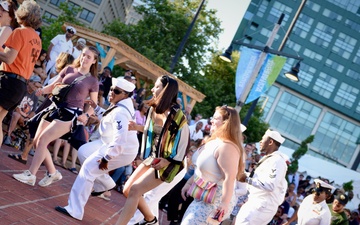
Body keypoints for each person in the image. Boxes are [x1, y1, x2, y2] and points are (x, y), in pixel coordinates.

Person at [12, 46, 99, 187]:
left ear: (94, 61)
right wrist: (41, 90)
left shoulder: (93, 81)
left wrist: (86, 115)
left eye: (89, 57)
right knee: (37, 141)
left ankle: (31, 174)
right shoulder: (69, 69)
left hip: (70, 113)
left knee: (44, 139)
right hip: (54, 108)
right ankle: (52, 172)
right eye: (83, 55)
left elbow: (94, 104)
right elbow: (53, 85)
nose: (85, 58)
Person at [54, 77, 139, 221]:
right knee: (83, 152)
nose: (111, 92)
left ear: (125, 95)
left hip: (122, 149)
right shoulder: (119, 106)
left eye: (116, 91)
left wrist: (106, 158)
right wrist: (98, 108)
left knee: (88, 169)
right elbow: (109, 117)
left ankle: (75, 210)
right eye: (111, 89)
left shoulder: (121, 112)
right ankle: (106, 184)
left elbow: (120, 140)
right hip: (109, 142)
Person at [116, 75, 190, 225]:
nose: (152, 89)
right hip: (155, 157)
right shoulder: (153, 109)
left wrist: (167, 161)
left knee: (136, 190)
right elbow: (157, 131)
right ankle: (151, 219)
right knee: (127, 190)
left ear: (166, 90)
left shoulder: (177, 116)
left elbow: (184, 143)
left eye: (156, 86)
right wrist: (137, 128)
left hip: (173, 162)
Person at [180, 105, 244, 225]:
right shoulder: (214, 141)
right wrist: (189, 183)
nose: (211, 121)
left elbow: (229, 178)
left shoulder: (227, 147)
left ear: (226, 122)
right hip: (201, 196)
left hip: (214, 202)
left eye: (216, 118)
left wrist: (224, 204)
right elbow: (202, 169)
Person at [0, 0, 42, 146]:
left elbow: (8, 58)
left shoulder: (20, 32)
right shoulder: (37, 39)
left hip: (9, 80)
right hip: (20, 84)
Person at [235, 129, 288, 225]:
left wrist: (247, 179)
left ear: (270, 142)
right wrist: (242, 174)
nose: (260, 141)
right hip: (256, 202)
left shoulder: (277, 161)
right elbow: (259, 179)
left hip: (262, 206)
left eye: (263, 139)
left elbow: (270, 186)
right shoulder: (269, 159)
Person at [4, 75, 41, 146]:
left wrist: (27, 119)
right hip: (14, 113)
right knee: (16, 115)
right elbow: (16, 107)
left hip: (25, 118)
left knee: (36, 125)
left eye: (37, 87)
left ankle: (31, 148)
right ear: (29, 82)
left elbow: (33, 111)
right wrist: (23, 117)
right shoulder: (22, 90)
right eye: (34, 85)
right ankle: (8, 137)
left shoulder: (35, 96)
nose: (35, 88)